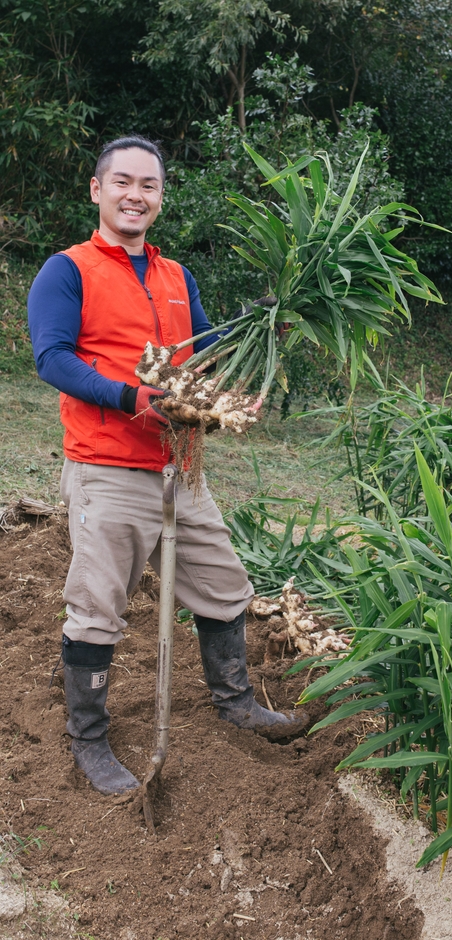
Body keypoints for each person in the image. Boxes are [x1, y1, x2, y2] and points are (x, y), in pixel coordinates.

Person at [27, 135, 306, 797]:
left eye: (147, 185)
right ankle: (90, 739)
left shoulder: (176, 276)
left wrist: (256, 333)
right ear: (97, 190)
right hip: (109, 467)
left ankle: (235, 702)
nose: (135, 195)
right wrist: (134, 399)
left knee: (224, 585)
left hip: (180, 469)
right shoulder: (67, 271)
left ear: (160, 196)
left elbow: (201, 351)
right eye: (122, 182)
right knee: (98, 607)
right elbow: (53, 358)